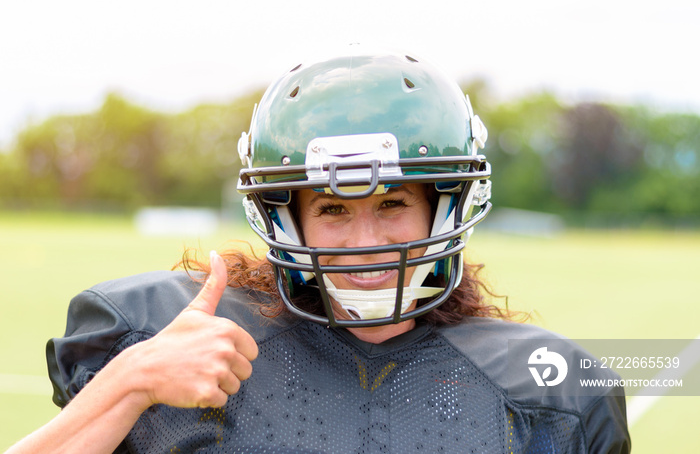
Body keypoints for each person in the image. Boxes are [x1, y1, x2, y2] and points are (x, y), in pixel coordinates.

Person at [8, 44, 630, 453]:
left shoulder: (552, 394)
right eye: (333, 209)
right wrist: (131, 381)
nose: (365, 242)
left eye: (392, 204)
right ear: (286, 219)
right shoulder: (161, 337)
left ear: (445, 207)